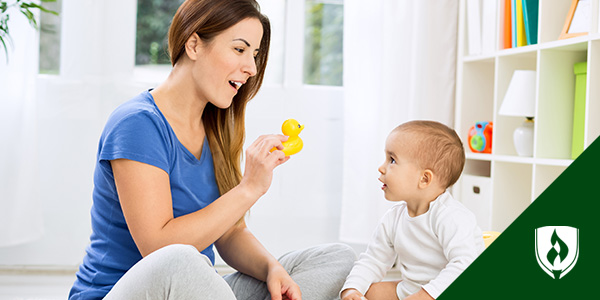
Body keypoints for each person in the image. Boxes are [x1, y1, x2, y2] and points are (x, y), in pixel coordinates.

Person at [68, 0, 355, 299]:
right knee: (182, 261)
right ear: (194, 45)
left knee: (338, 260)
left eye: (255, 55)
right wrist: (248, 189)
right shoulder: (137, 124)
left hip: (194, 286)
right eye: (240, 49)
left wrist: (272, 269)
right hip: (122, 292)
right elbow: (159, 250)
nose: (252, 68)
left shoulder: (217, 127)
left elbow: (230, 232)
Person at [340, 120, 485, 300]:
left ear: (424, 179)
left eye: (392, 160)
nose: (381, 167)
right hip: (411, 290)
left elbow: (465, 265)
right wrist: (352, 290)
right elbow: (372, 260)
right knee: (369, 291)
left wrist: (425, 296)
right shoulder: (393, 219)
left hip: (453, 291)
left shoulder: (451, 217)